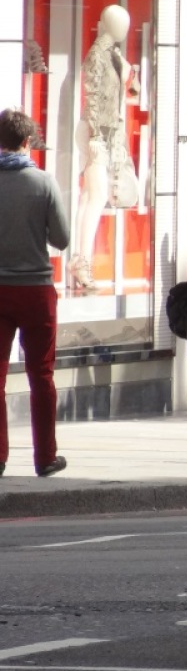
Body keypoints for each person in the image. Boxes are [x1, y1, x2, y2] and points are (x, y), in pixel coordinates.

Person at [0, 108, 70, 478]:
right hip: (36, 291)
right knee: (41, 375)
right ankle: (45, 457)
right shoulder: (43, 183)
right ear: (28, 142)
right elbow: (61, 238)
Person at [70, 4, 136, 292]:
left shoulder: (114, 56)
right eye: (119, 23)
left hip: (108, 132)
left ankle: (80, 259)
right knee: (94, 196)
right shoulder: (98, 55)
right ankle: (81, 262)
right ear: (107, 24)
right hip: (96, 131)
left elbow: (121, 94)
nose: (124, 29)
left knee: (91, 196)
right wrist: (96, 136)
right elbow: (92, 96)